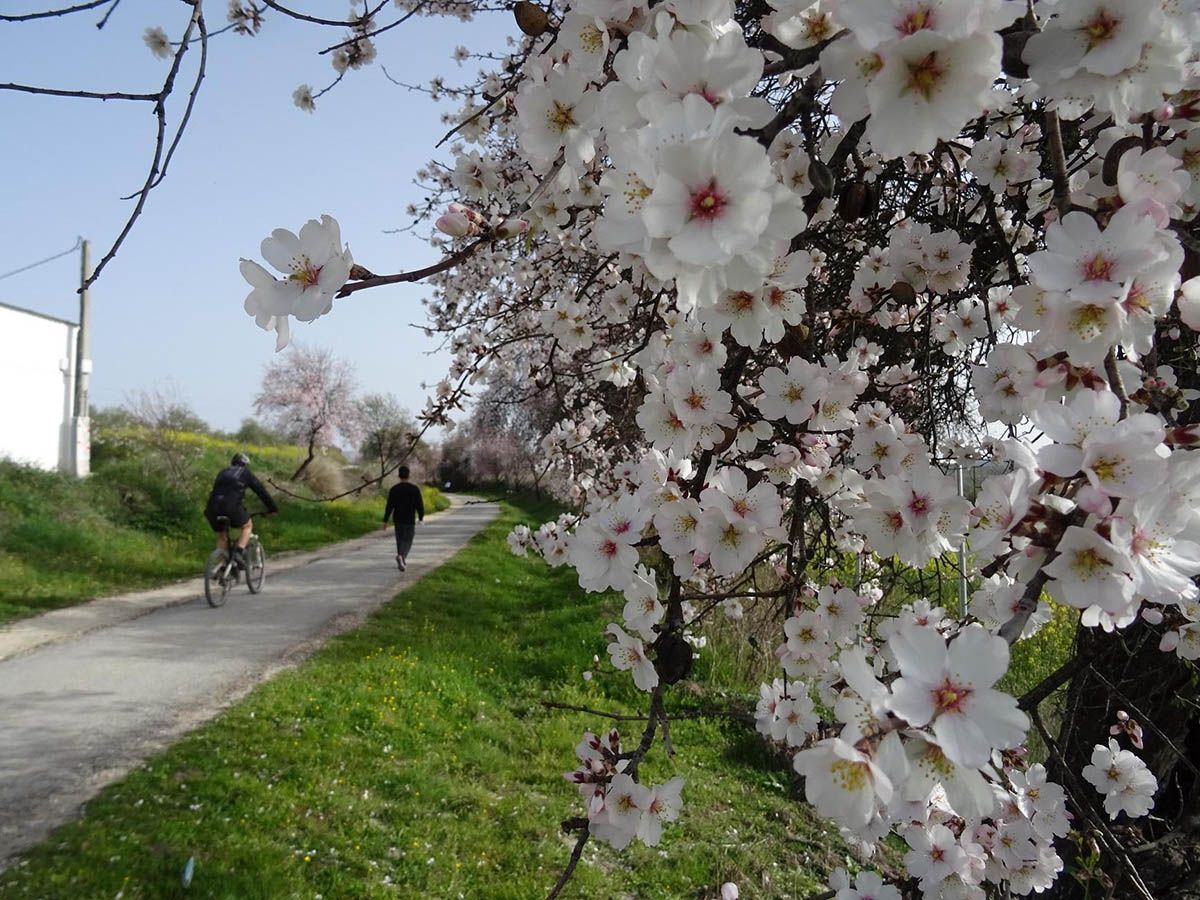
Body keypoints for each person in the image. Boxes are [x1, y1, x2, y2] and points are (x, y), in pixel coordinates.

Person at [204, 452, 278, 566]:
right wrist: (272, 508)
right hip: (231, 507)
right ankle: (238, 553)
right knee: (247, 526)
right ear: (245, 464)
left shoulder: (222, 472)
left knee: (222, 536)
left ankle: (222, 566)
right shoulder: (245, 473)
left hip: (212, 508)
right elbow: (260, 491)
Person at [382, 466, 424, 571]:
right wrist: (421, 517)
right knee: (408, 540)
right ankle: (402, 556)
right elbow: (420, 505)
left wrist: (385, 520)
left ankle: (401, 559)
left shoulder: (394, 489)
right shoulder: (414, 489)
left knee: (400, 540)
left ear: (399, 475)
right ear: (409, 475)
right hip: (409, 518)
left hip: (398, 519)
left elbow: (389, 506)